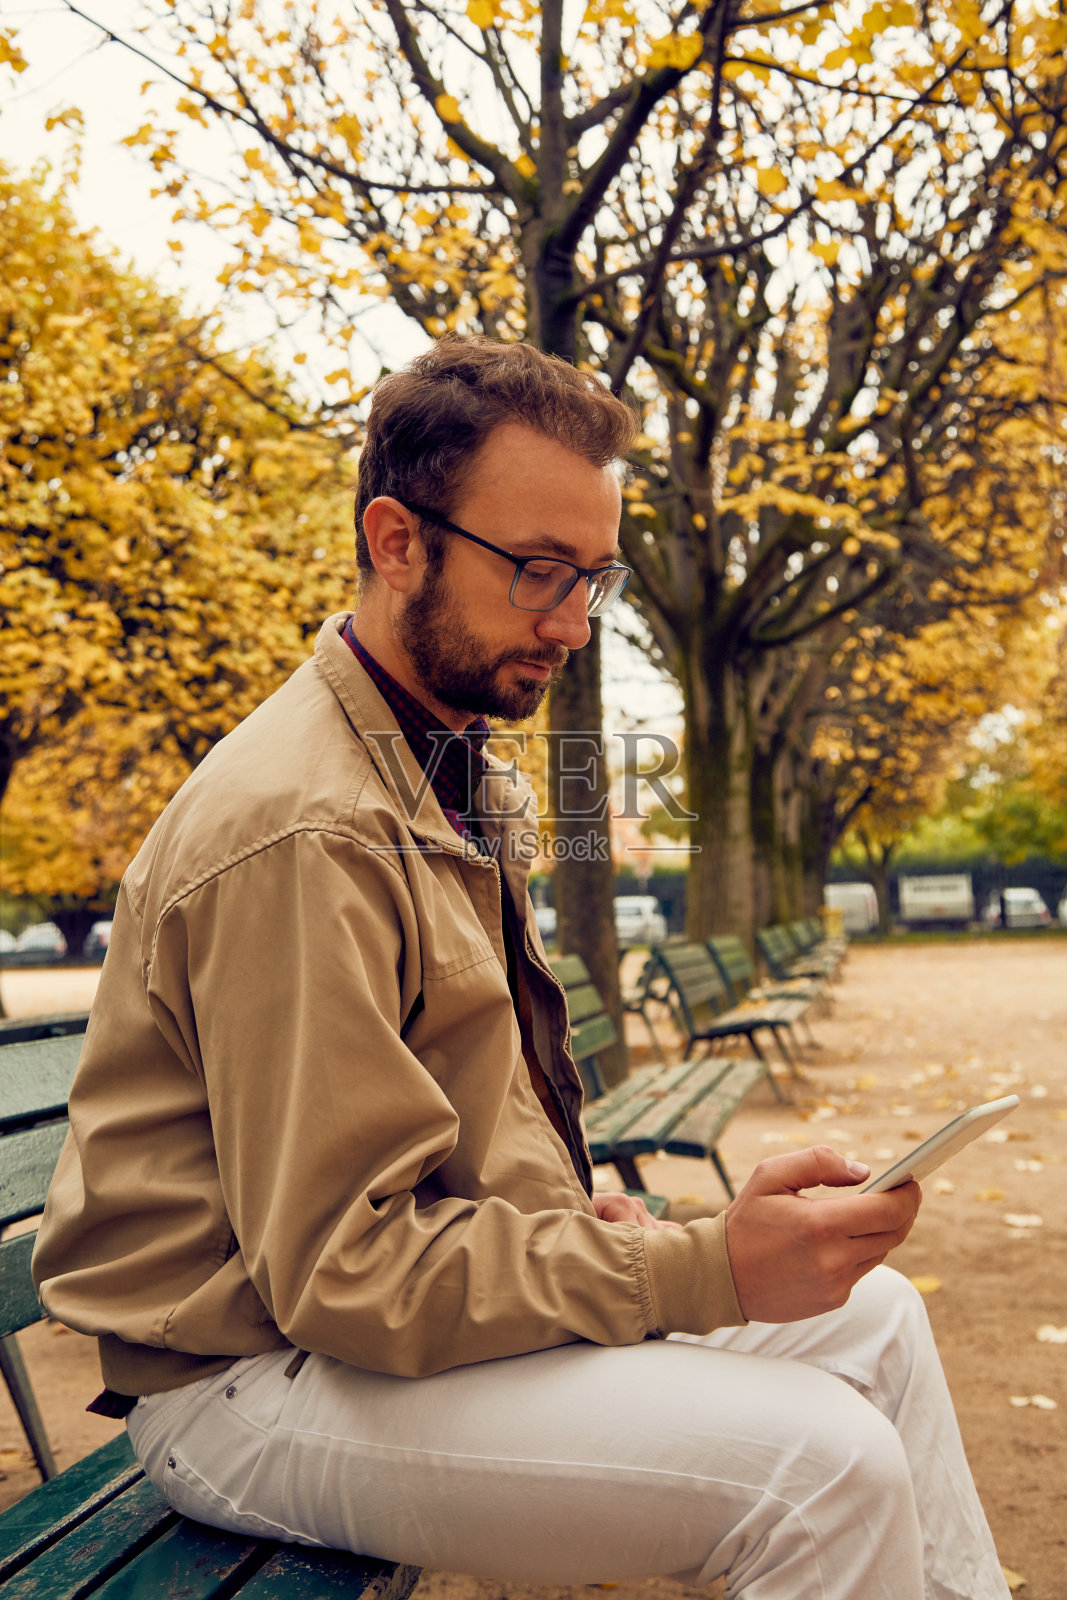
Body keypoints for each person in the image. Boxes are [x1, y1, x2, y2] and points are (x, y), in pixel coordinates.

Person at [33, 337, 1009, 1599]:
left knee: (873, 1320)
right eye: (538, 572)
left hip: (343, 1336)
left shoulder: (448, 765)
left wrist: (589, 1227)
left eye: (591, 580)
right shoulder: (306, 830)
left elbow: (438, 1135)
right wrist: (696, 1266)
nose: (568, 625)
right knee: (819, 1467)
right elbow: (345, 1271)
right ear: (397, 541)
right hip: (245, 1381)